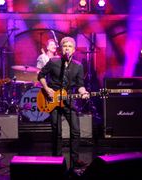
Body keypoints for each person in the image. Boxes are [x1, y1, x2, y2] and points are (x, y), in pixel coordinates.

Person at [37, 36, 89, 168]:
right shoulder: (54, 62)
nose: (67, 48)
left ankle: (75, 160)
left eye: (70, 46)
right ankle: (56, 159)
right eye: (65, 46)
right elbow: (41, 75)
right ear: (61, 48)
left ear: (74, 49)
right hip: (52, 99)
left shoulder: (78, 66)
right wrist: (47, 88)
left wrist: (83, 92)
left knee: (76, 130)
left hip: (68, 100)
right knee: (56, 130)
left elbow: (80, 85)